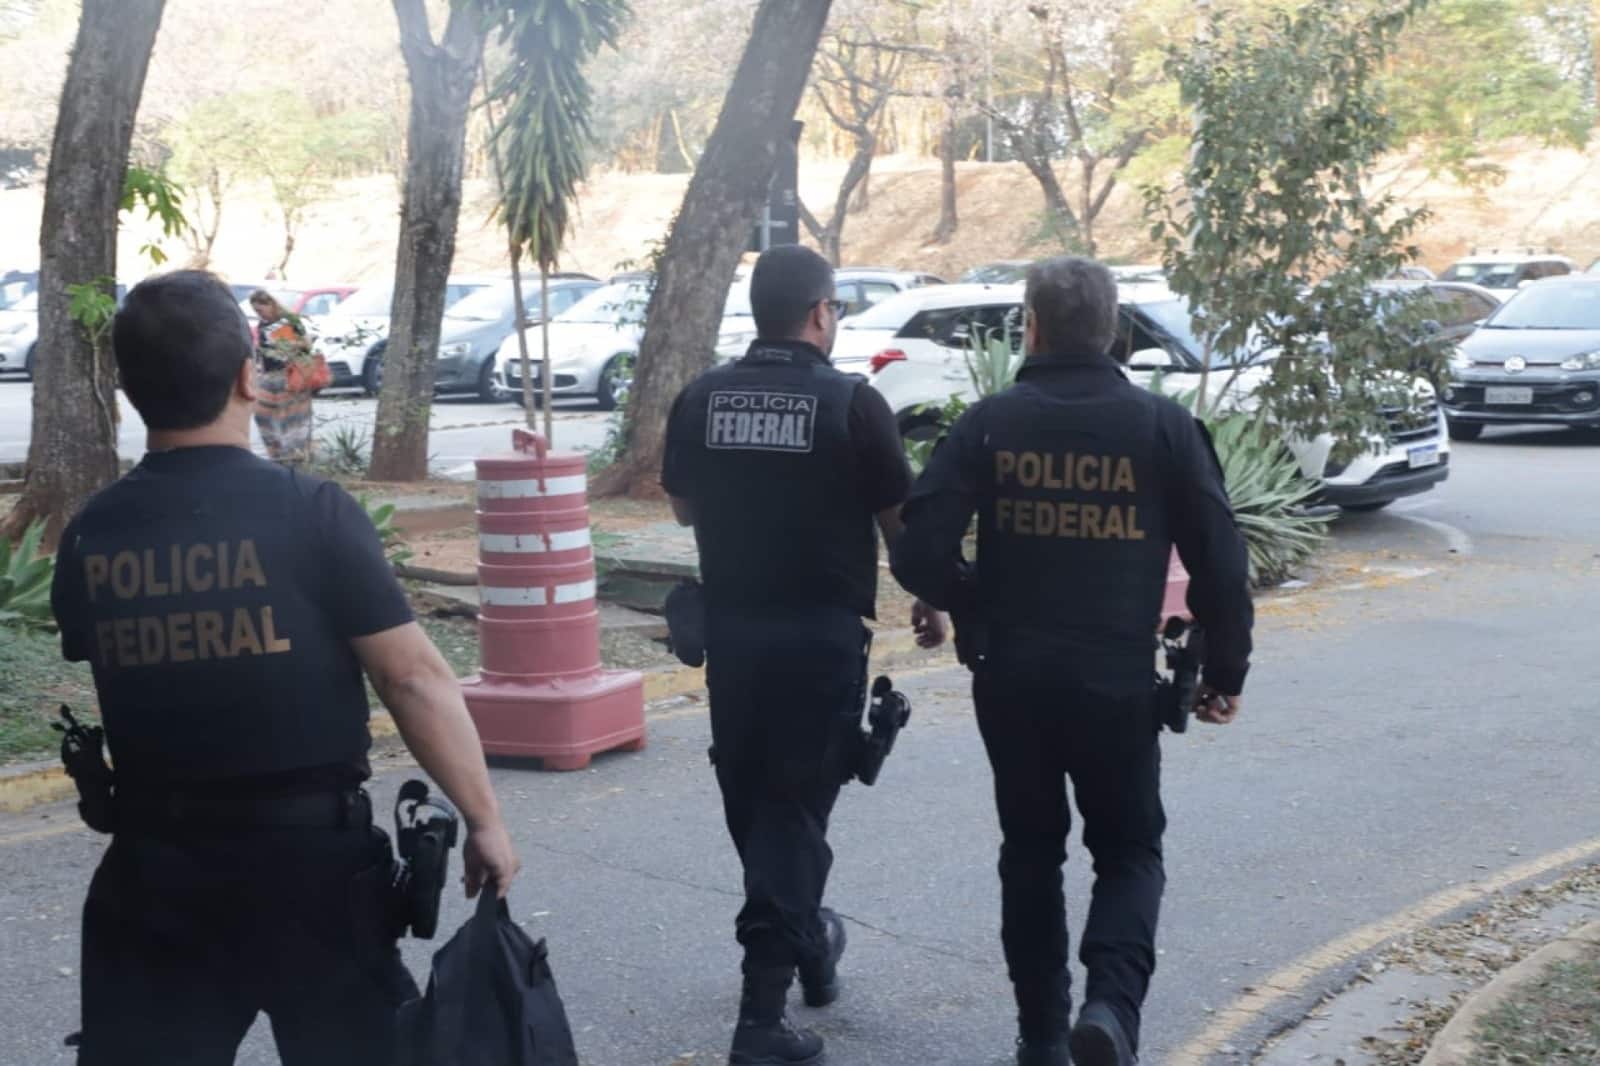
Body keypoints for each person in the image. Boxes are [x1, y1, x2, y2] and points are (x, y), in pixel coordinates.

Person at [49, 270, 521, 1066]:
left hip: (156, 871)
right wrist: (484, 820)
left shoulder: (92, 533)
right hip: (312, 874)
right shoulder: (313, 513)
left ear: (126, 389)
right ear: (246, 376)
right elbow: (411, 678)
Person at [890, 256, 1254, 1066]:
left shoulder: (990, 422)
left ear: (1033, 326)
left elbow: (918, 553)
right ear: (1115, 332)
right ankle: (1111, 1010)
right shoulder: (1163, 428)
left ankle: (1044, 1035)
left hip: (1012, 678)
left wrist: (975, 597)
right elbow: (1222, 567)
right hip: (1116, 682)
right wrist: (1226, 671)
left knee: (1030, 851)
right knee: (1128, 850)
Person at [661, 244, 945, 1066]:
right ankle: (762, 1016)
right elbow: (902, 533)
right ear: (821, 313)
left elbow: (683, 508)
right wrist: (932, 600)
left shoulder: (701, 397)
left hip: (737, 640)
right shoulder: (853, 405)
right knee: (790, 811)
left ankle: (808, 944)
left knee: (760, 803)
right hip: (820, 644)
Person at [249, 288, 314, 465]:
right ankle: (276, 454)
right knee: (263, 415)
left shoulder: (289, 321)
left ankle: (295, 455)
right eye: (255, 311)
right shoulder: (263, 325)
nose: (259, 314)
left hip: (290, 373)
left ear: (271, 305)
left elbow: (306, 345)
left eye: (260, 310)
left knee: (292, 419)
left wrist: (288, 344)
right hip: (270, 375)